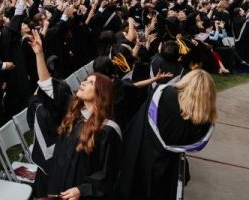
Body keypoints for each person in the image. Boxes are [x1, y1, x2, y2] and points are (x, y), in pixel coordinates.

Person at [28, 30, 122, 200]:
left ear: (101, 93)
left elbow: (107, 173)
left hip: (78, 192)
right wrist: (39, 54)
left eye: (90, 82)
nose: (83, 82)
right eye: (85, 80)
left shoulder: (108, 130)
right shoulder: (73, 112)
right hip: (57, 181)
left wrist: (82, 190)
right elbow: (48, 88)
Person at [117, 69, 217, 200]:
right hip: (170, 168)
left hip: (142, 156)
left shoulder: (163, 94)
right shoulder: (206, 122)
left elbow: (139, 122)